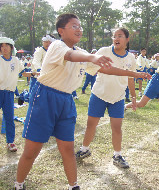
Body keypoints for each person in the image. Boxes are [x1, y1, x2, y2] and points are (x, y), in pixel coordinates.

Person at [14, 13, 115, 190]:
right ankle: (19, 184)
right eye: (74, 26)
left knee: (67, 148)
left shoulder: (81, 53)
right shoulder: (57, 46)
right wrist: (92, 57)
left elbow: (106, 69)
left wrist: (135, 74)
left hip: (66, 100)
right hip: (44, 97)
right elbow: (69, 56)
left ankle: (73, 186)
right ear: (61, 31)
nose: (79, 29)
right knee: (32, 150)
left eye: (80, 26)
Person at [76, 27, 151, 169]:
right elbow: (96, 68)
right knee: (91, 124)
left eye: (120, 36)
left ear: (127, 39)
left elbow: (130, 78)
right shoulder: (104, 51)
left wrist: (133, 97)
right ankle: (84, 149)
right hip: (99, 94)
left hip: (118, 97)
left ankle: (117, 155)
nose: (116, 38)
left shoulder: (131, 58)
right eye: (114, 36)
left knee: (117, 128)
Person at [0, 37, 24, 152]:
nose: (4, 48)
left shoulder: (15, 60)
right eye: (2, 46)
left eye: (6, 46)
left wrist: (36, 74)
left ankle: (10, 142)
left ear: (11, 47)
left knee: (9, 118)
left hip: (9, 94)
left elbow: (22, 73)